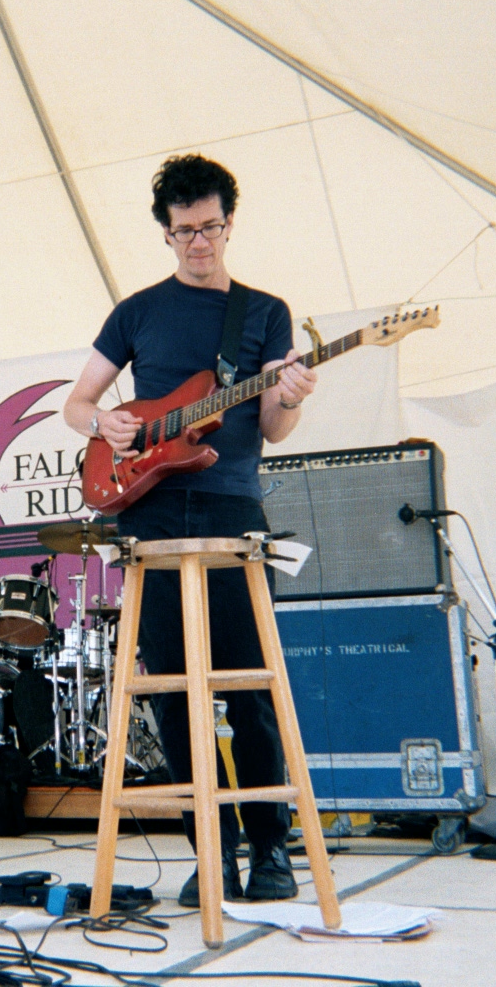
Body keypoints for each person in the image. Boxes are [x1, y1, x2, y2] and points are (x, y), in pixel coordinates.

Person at [63, 155, 317, 906]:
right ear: (166, 233)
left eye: (210, 227)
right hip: (149, 512)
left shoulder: (264, 312)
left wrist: (292, 395)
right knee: (173, 692)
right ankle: (211, 852)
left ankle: (270, 849)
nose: (199, 242)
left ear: (230, 224)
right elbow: (78, 404)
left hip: (231, 508)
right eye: (185, 231)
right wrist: (104, 423)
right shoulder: (136, 311)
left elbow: (272, 427)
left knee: (249, 686)